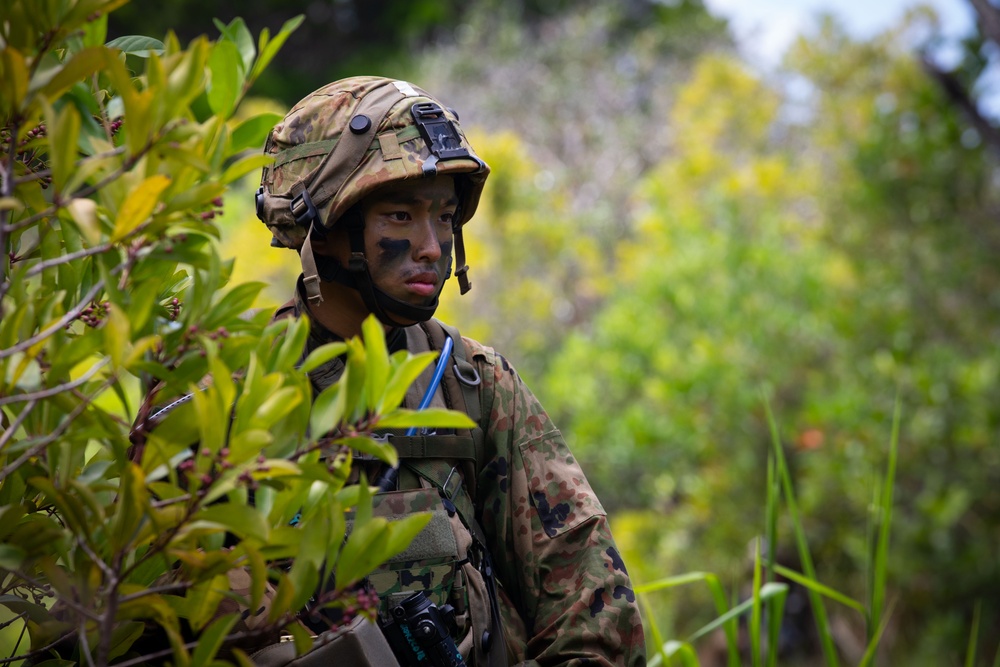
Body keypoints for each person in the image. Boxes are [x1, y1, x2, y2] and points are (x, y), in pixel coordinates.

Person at [255, 76, 646, 667]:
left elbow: (592, 607)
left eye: (443, 216)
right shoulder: (228, 396)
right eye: (399, 215)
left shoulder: (473, 381)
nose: (433, 246)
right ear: (322, 227)